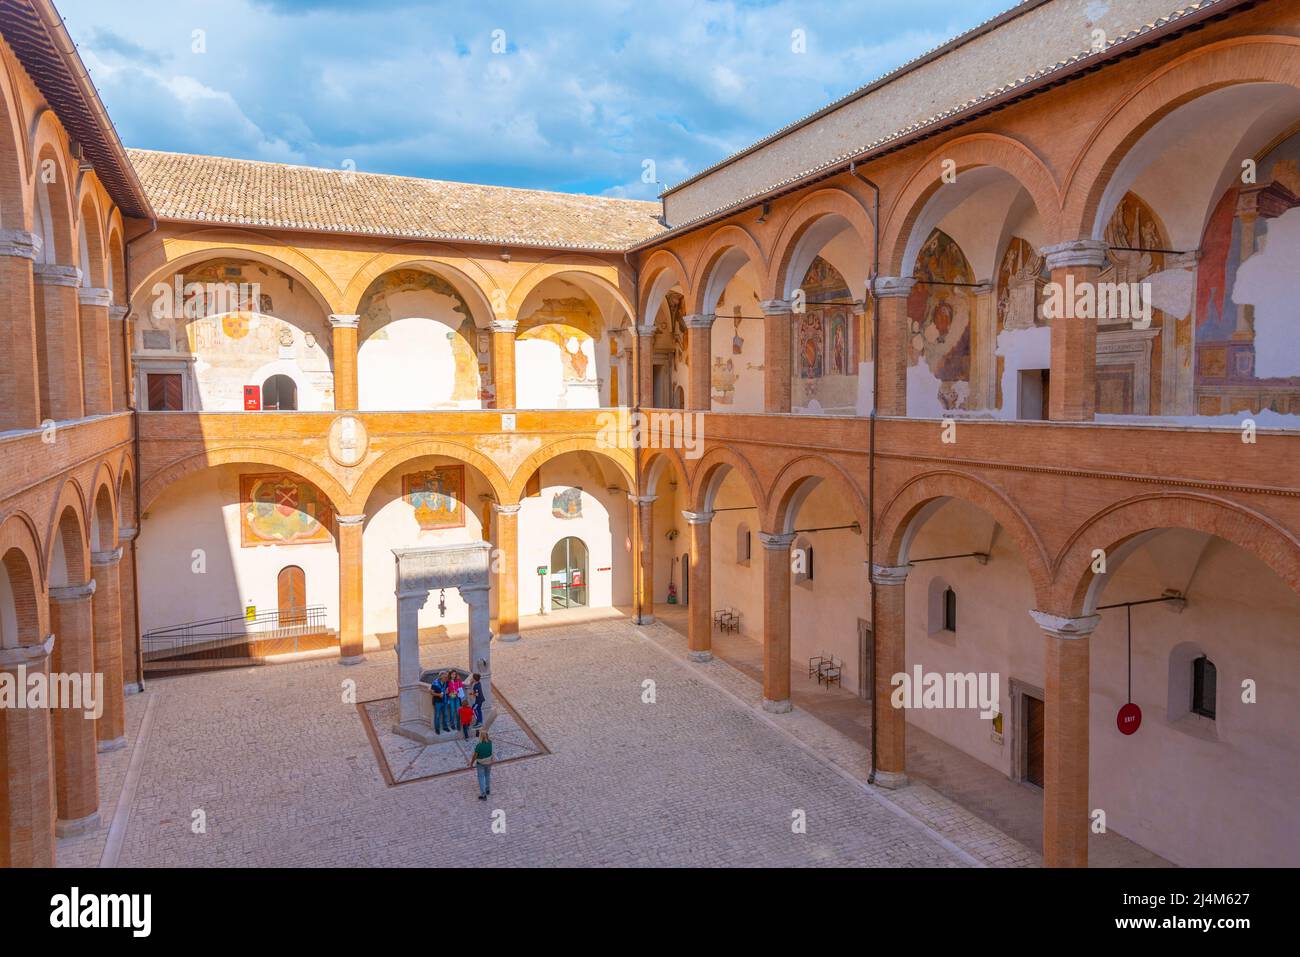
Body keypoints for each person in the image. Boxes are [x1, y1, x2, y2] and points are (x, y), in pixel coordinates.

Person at [470, 730, 493, 799]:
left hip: (480, 763)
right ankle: (488, 789)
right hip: (489, 762)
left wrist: (471, 763)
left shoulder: (479, 746)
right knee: (487, 775)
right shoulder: (490, 743)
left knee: (481, 778)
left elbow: (475, 756)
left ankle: (483, 794)